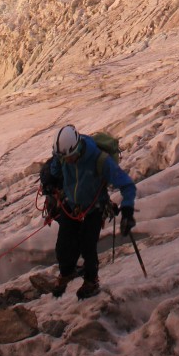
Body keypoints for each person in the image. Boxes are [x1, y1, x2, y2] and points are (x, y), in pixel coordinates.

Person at [47, 124, 136, 299]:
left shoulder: (99, 160)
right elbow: (55, 170)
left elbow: (126, 184)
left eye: (70, 157)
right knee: (63, 246)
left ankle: (91, 280)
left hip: (94, 207)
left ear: (77, 148)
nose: (68, 161)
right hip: (71, 205)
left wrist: (128, 211)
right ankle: (66, 273)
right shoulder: (63, 157)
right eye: (64, 157)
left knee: (88, 245)